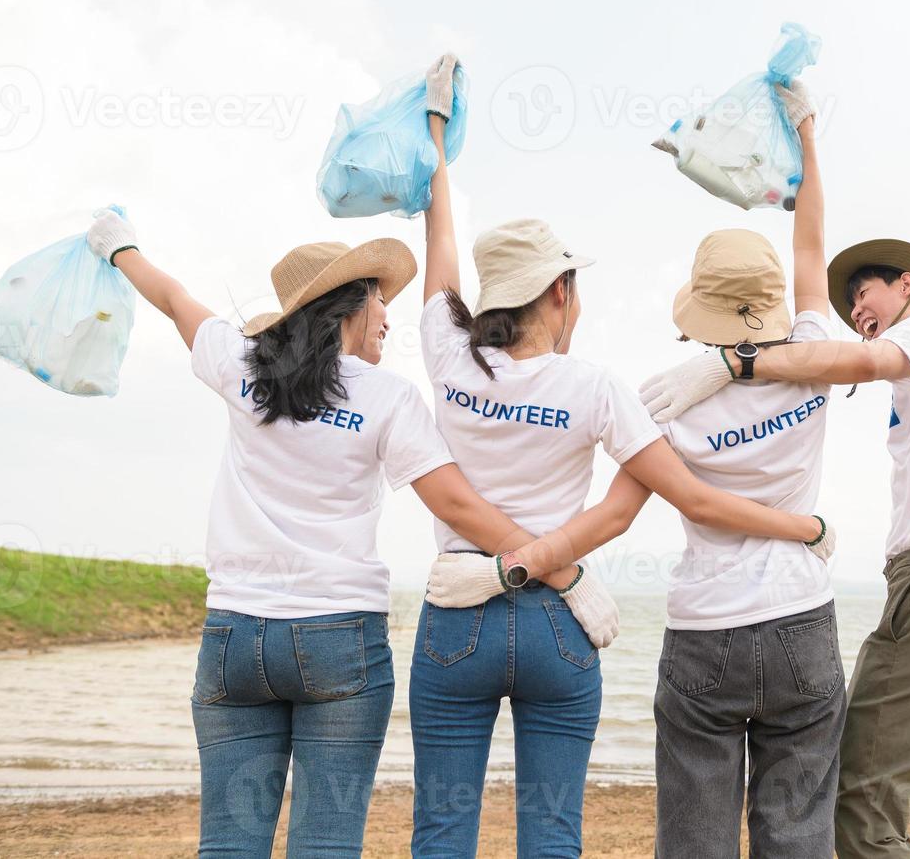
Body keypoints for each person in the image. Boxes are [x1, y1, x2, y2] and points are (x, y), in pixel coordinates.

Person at [410, 55, 834, 859]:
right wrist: (807, 135)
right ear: (562, 293)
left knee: (440, 828)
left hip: (458, 609)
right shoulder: (607, 388)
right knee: (553, 832)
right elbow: (630, 507)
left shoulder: (447, 352)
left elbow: (440, 239)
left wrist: (435, 132)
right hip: (560, 624)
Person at [84, 209, 599, 857]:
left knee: (226, 844)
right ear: (348, 310)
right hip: (338, 638)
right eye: (380, 301)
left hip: (234, 636)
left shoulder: (241, 365)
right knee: (325, 844)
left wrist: (117, 246)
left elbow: (171, 297)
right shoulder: (388, 398)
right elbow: (461, 510)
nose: (388, 317)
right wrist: (563, 573)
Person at [639, 238, 910, 859]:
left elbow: (857, 361)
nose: (858, 312)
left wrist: (736, 364)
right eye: (847, 305)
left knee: (861, 804)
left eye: (865, 294)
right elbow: (812, 273)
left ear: (907, 283)